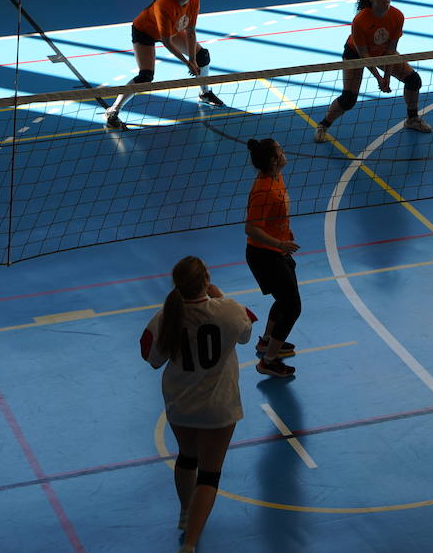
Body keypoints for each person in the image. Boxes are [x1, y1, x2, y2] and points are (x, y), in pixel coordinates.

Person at [140, 256, 255, 553]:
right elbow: (246, 333)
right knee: (209, 474)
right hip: (219, 407)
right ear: (206, 279)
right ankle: (190, 544)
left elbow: (152, 359)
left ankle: (184, 513)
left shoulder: (166, 316)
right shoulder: (227, 310)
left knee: (186, 458)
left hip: (180, 403)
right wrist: (221, 297)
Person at [313, 0, 432, 141]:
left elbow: (391, 51)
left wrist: (387, 78)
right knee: (348, 99)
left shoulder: (397, 16)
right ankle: (323, 125)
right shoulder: (360, 21)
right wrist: (379, 79)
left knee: (413, 80)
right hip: (356, 55)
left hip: (383, 52)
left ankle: (412, 119)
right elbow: (364, 56)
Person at [106, 0, 224, 129]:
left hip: (172, 29)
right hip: (145, 32)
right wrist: (187, 62)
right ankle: (114, 110)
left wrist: (193, 59)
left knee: (202, 56)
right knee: (145, 76)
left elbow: (190, 32)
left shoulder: (194, 0)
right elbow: (167, 42)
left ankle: (205, 93)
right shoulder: (164, 4)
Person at [244, 138, 301, 377]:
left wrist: (283, 236)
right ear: (272, 159)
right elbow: (251, 228)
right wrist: (279, 242)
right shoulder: (264, 189)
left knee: (284, 299)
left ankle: (267, 341)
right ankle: (268, 362)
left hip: (278, 250)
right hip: (264, 255)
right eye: (280, 150)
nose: (284, 152)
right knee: (293, 307)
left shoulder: (277, 177)